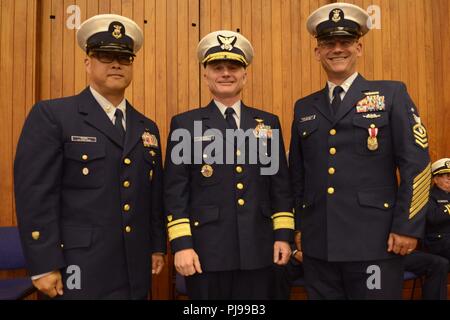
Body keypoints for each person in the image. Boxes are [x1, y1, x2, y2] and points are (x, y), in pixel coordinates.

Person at [14, 14, 166, 299]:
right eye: (106, 56)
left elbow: (153, 196)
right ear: (87, 62)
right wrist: (43, 264)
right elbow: (35, 195)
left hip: (134, 265)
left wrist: (157, 246)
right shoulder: (53, 116)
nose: (116, 63)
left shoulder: (147, 127)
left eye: (125, 58)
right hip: (77, 265)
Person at [289, 3, 431, 299]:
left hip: (375, 242)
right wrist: (299, 229)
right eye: (328, 43)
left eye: (345, 42)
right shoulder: (305, 107)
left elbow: (416, 165)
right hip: (319, 246)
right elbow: (298, 177)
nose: (337, 49)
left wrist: (407, 227)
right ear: (317, 52)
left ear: (359, 48)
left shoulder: (391, 94)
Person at [164, 30, 294, 299]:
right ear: (206, 74)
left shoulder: (267, 125)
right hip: (205, 253)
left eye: (233, 67)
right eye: (217, 67)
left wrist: (283, 236)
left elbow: (279, 188)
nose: (226, 73)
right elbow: (175, 193)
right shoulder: (185, 126)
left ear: (245, 74)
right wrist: (181, 245)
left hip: (259, 251)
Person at [424, 158, 450, 262]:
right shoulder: (428, 196)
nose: (449, 178)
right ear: (435, 179)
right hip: (438, 242)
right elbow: (433, 218)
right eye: (446, 176)